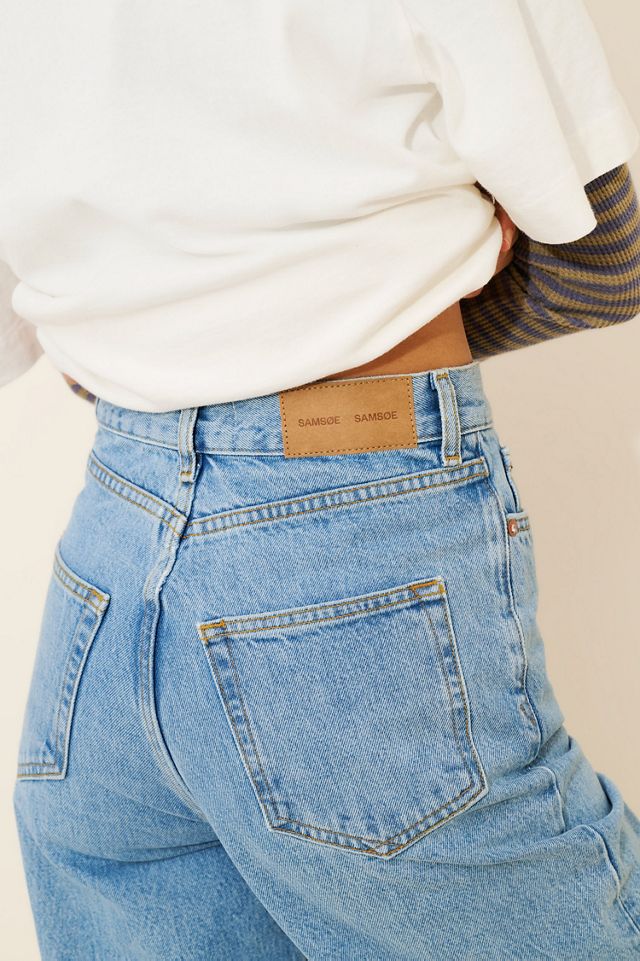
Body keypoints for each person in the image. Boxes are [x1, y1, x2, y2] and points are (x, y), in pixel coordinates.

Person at [2, 2, 640, 958]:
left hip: (107, 567)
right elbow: (602, 259)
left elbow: (46, 327)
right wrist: (413, 294)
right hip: (346, 552)